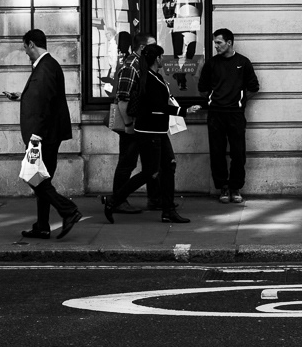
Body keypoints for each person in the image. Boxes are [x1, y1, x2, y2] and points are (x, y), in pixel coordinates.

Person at [102, 45, 197, 224]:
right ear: (157, 58)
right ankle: (113, 200)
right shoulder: (149, 79)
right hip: (149, 132)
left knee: (168, 167)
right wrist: (185, 110)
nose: (163, 59)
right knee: (150, 171)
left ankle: (168, 210)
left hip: (157, 131)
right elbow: (159, 107)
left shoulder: (154, 76)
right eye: (162, 56)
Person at [12, 30, 83, 240]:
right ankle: (42, 226)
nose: (26, 53)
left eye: (25, 48)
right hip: (48, 134)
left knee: (34, 178)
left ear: (32, 44)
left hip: (41, 137)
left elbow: (41, 107)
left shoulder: (44, 69)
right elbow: (42, 98)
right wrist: (22, 96)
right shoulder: (49, 65)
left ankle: (68, 210)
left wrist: (34, 140)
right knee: (43, 179)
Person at [198, 28, 259, 204]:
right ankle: (223, 187)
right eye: (215, 43)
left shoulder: (243, 62)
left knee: (238, 153)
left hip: (236, 114)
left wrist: (239, 101)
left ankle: (235, 187)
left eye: (219, 42)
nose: (216, 46)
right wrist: (214, 99)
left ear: (229, 42)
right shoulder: (211, 63)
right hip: (216, 113)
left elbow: (253, 87)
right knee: (217, 152)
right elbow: (202, 89)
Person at [108, 32, 160, 214]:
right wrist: (129, 125)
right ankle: (117, 201)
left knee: (150, 162)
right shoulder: (132, 65)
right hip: (132, 124)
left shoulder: (143, 64)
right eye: (153, 46)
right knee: (127, 162)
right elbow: (123, 99)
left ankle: (154, 199)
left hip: (143, 123)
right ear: (143, 48)